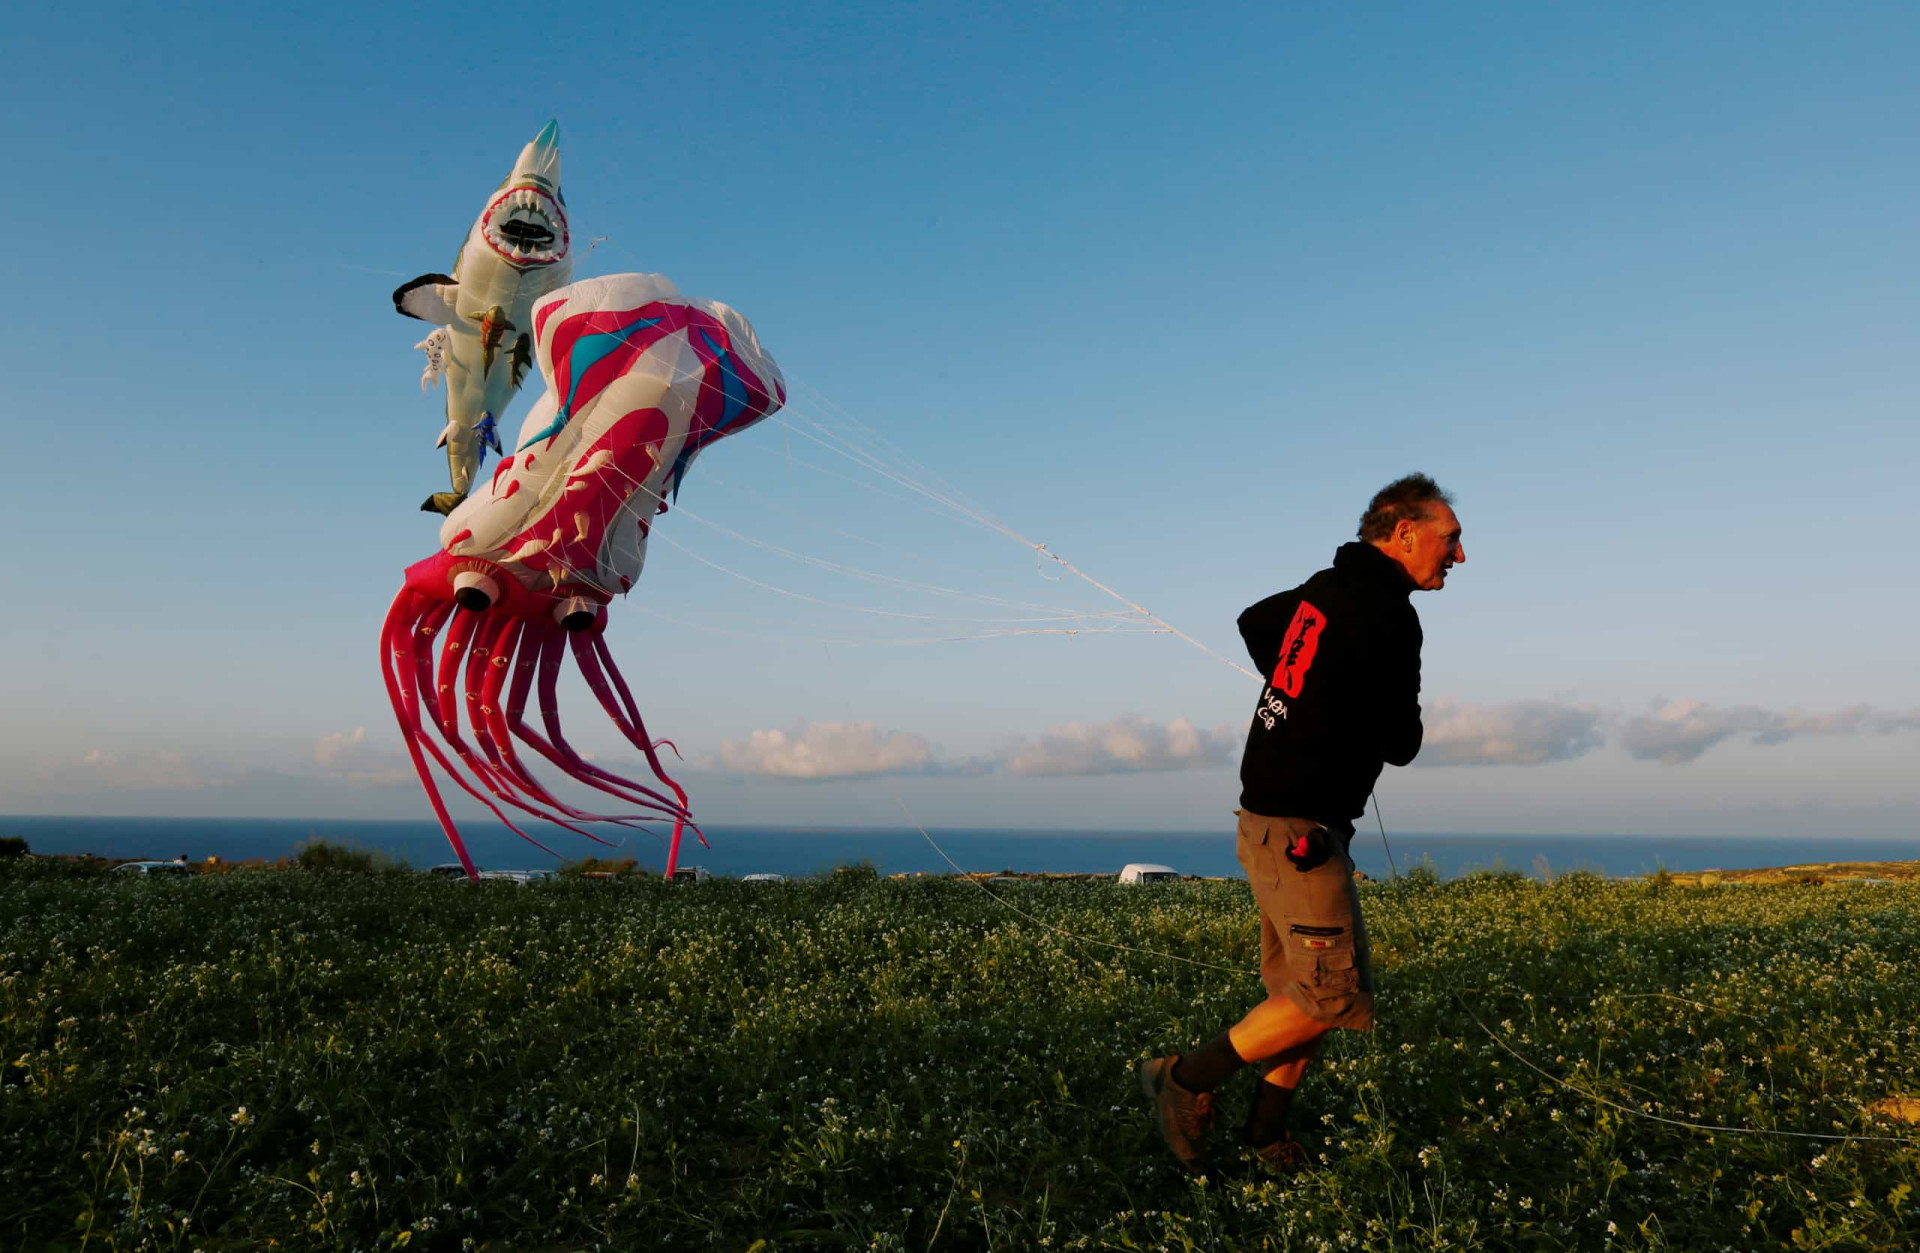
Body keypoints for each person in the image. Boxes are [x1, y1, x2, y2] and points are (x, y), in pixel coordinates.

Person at [1139, 473, 1465, 1173]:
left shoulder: (1324, 587)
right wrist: (1338, 706)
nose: (1459, 555)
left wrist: (1307, 690)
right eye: (1451, 537)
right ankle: (1182, 1079)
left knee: (1302, 994)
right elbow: (1402, 742)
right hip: (1301, 830)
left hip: (1273, 819)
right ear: (1403, 532)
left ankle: (1264, 1136)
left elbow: (1256, 622)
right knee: (1329, 996)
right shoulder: (1387, 614)